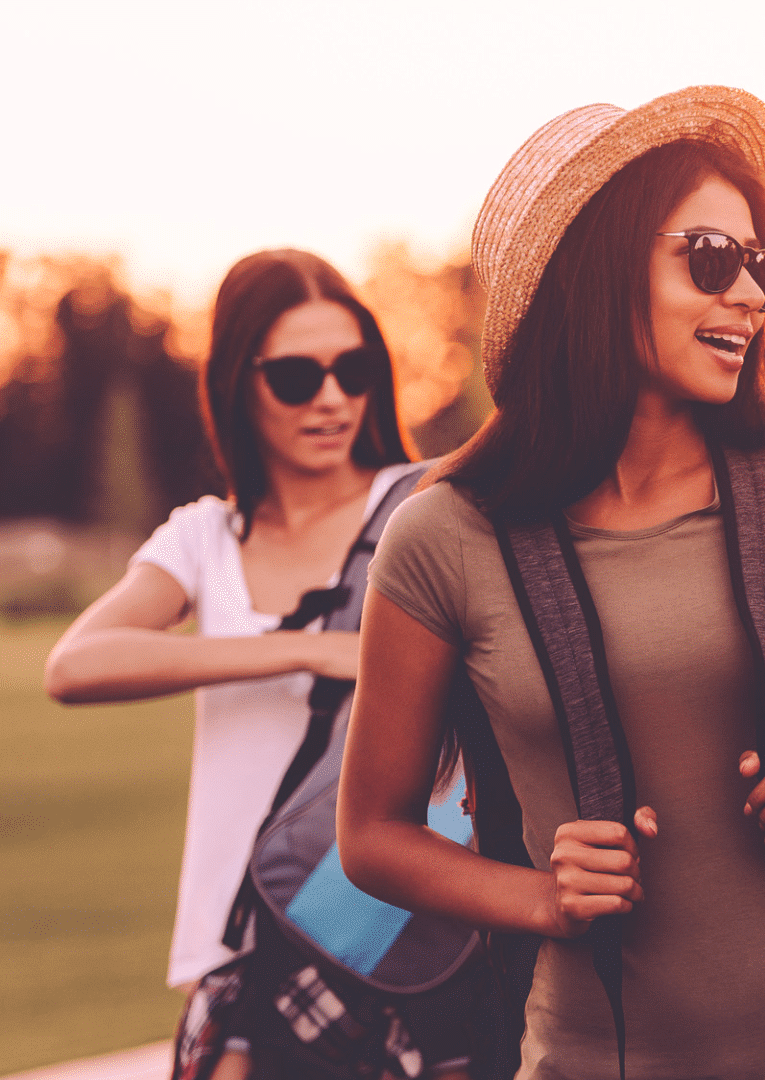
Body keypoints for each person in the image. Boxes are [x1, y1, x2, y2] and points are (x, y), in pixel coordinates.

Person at [334, 88, 765, 1080]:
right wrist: (542, 896)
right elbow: (371, 837)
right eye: (709, 259)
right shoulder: (443, 537)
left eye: (761, 266)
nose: (748, 293)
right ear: (597, 267)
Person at [42, 249, 471, 1080]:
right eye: (297, 377)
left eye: (353, 369)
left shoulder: (427, 506)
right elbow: (76, 664)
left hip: (388, 927)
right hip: (238, 938)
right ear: (241, 381)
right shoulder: (205, 537)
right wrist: (308, 649)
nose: (333, 399)